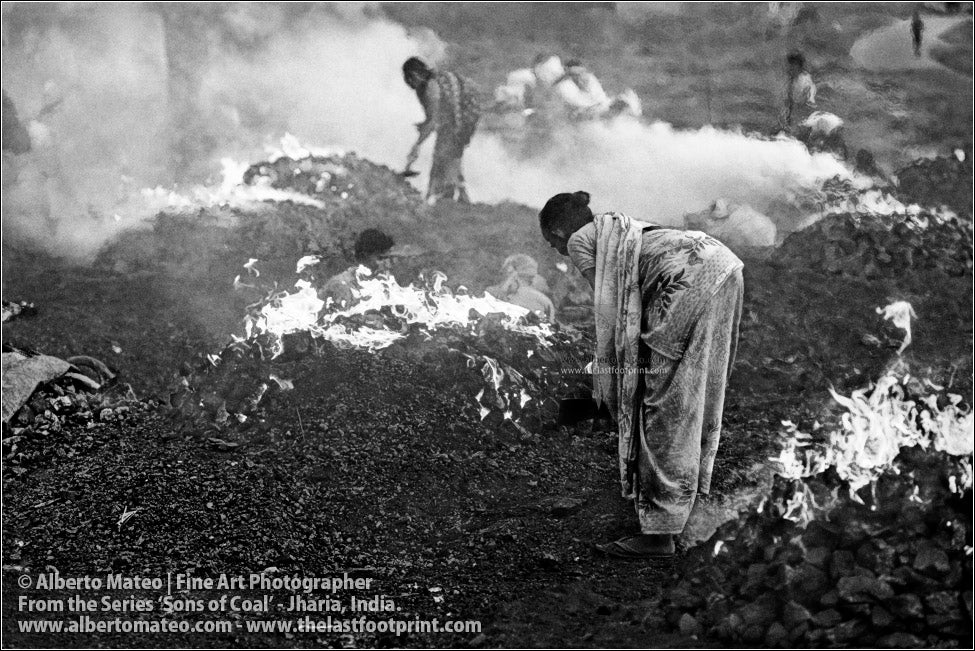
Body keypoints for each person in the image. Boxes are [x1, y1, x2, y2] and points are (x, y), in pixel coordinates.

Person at [539, 191, 744, 558]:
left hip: (688, 283)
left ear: (557, 230)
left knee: (662, 407)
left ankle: (658, 536)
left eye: (551, 242)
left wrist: (604, 381)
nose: (557, 251)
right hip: (722, 268)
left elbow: (612, 313)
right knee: (691, 394)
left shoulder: (579, 239)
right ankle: (682, 509)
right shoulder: (622, 228)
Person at [402, 57, 481, 204]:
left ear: (415, 75)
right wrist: (425, 126)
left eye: (410, 78)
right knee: (449, 154)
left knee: (444, 153)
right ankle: (456, 194)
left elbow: (433, 121)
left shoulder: (431, 87)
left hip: (463, 116)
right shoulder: (427, 84)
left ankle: (440, 194)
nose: (410, 83)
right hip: (460, 115)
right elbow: (434, 117)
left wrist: (416, 146)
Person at [321, 229, 395, 309]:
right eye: (380, 258)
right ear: (365, 256)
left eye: (388, 258)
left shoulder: (385, 283)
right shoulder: (341, 285)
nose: (387, 264)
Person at [784, 51, 816, 128]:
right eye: (790, 64)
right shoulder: (793, 79)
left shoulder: (805, 81)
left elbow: (803, 102)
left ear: (799, 66)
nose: (790, 67)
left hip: (804, 118)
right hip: (796, 117)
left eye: (793, 65)